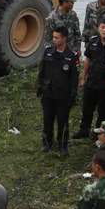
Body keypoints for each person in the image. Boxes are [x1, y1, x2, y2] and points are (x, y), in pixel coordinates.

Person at [73, 20, 105, 141]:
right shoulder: (93, 41)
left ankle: (98, 134)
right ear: (98, 28)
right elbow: (88, 60)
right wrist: (83, 78)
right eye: (102, 27)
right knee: (87, 108)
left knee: (103, 111)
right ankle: (84, 130)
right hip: (91, 81)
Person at [37, 26, 79, 156]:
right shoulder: (48, 52)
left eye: (56, 37)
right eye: (53, 37)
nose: (53, 40)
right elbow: (42, 71)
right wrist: (39, 86)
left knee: (63, 121)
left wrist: (72, 95)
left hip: (63, 95)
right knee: (47, 120)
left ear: (64, 39)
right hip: (48, 93)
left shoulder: (71, 57)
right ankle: (46, 143)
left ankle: (62, 145)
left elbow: (74, 79)